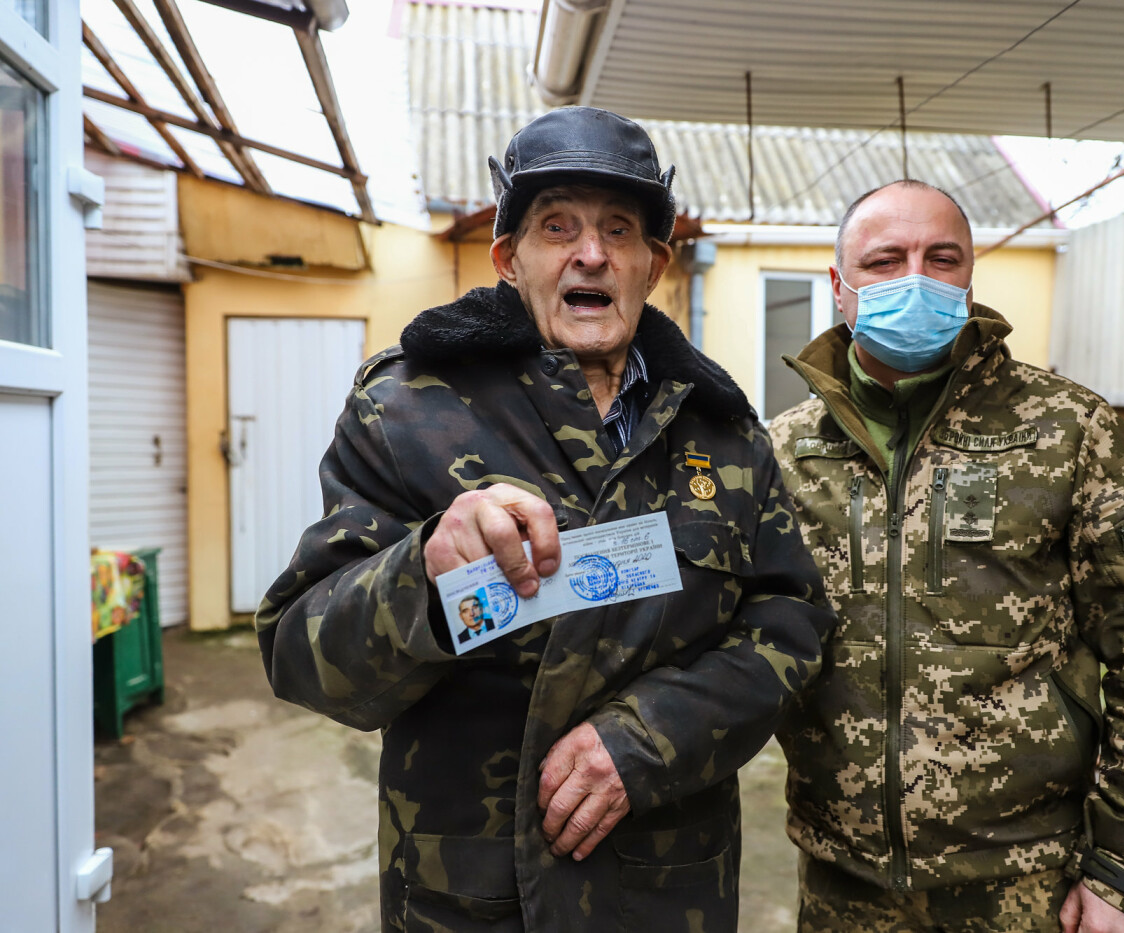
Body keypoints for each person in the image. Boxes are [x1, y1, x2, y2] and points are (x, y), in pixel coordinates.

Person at [256, 106, 832, 933]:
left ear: (652, 263)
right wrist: (421, 573)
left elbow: (791, 622)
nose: (590, 253)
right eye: (557, 226)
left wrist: (649, 739)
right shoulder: (406, 409)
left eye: (619, 230)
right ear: (509, 259)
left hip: (669, 894)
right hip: (469, 896)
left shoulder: (724, 432)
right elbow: (299, 654)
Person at [768, 180, 1124, 933]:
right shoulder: (784, 452)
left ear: (969, 276)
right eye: (885, 260)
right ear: (839, 288)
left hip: (1027, 883)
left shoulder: (1070, 431)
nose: (915, 278)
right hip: (841, 882)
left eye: (941, 258)